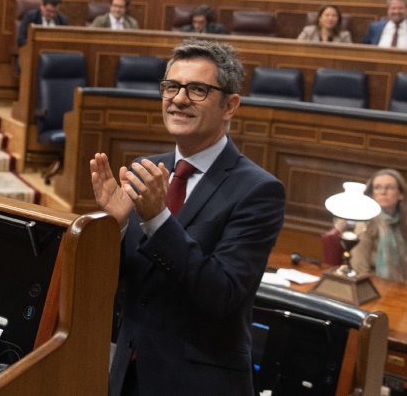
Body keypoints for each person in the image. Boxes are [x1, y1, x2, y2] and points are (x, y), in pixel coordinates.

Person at [91, 39, 285, 395]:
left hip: (199, 384)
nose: (179, 99)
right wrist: (115, 226)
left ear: (230, 105)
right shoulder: (147, 170)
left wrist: (157, 220)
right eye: (172, 86)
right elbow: (119, 285)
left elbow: (222, 293)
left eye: (197, 89)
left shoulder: (258, 191)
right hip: (127, 377)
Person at [354, 169, 407, 283]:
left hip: (397, 283)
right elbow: (359, 269)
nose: (383, 192)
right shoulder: (365, 222)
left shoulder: (406, 221)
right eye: (377, 187)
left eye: (390, 187)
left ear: (400, 194)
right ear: (372, 194)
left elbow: (403, 264)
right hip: (370, 285)